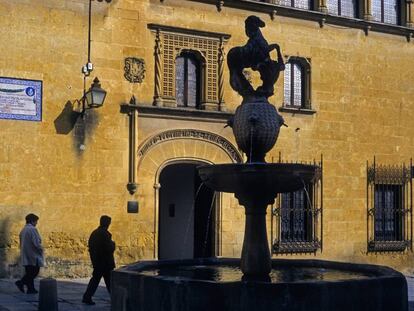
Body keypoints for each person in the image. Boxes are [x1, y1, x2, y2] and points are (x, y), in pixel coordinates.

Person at [82, 215, 116, 305]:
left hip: (98, 262)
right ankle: (115, 298)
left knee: (97, 280)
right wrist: (113, 244)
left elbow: (92, 248)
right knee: (108, 281)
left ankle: (87, 296)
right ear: (107, 223)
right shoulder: (105, 234)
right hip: (105, 262)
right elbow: (109, 248)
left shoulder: (94, 233)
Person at [15, 213, 44, 294]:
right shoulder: (32, 229)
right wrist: (41, 249)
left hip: (26, 253)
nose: (36, 223)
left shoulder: (23, 230)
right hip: (33, 254)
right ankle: (21, 282)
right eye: (36, 221)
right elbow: (36, 243)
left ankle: (31, 289)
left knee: (29, 271)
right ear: (32, 221)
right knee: (34, 271)